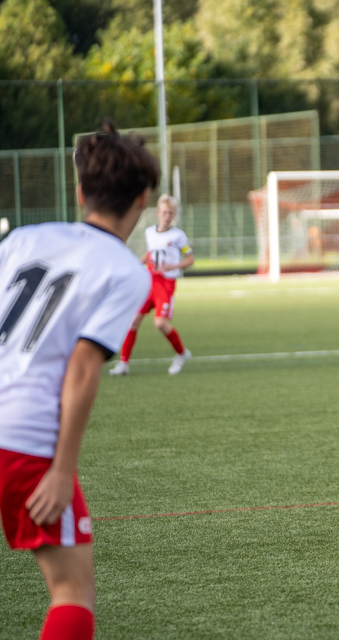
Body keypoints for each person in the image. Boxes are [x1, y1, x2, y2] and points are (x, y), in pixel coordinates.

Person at [0, 120, 156, 640]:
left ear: (81, 190)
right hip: (22, 441)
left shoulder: (23, 240)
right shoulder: (124, 269)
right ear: (144, 197)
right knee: (72, 593)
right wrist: (63, 469)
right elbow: (83, 367)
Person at [110, 194, 194, 375]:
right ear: (158, 212)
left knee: (160, 323)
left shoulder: (178, 236)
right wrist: (137, 264)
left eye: (171, 213)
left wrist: (174, 265)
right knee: (133, 320)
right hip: (149, 281)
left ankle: (181, 354)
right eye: (164, 212)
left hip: (166, 284)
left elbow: (190, 259)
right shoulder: (150, 232)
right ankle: (123, 364)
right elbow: (151, 254)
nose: (167, 216)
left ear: (174, 215)